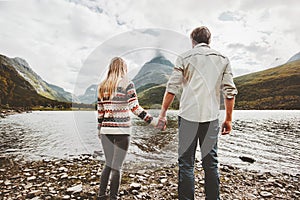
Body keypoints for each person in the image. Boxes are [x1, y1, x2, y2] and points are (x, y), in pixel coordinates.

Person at [158, 26, 238, 200]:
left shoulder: (184, 57)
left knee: (186, 164)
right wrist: (229, 119)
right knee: (211, 164)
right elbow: (230, 92)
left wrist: (163, 114)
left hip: (187, 117)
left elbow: (172, 88)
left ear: (193, 41)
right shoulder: (223, 59)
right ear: (209, 40)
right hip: (211, 119)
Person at [97, 57, 158, 200]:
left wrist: (100, 130)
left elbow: (100, 112)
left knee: (108, 164)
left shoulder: (102, 86)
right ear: (123, 68)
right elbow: (135, 108)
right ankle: (113, 197)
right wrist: (153, 121)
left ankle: (101, 195)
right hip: (122, 131)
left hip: (106, 131)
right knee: (117, 166)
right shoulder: (127, 84)